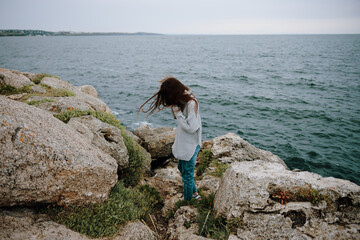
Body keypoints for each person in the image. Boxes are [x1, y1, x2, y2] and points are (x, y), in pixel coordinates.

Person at [138, 77, 202, 201]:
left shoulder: (191, 103)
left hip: (191, 144)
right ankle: (195, 194)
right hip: (185, 143)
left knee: (187, 177)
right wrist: (176, 110)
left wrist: (178, 114)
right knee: (181, 169)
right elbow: (177, 118)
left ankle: (188, 201)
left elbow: (192, 128)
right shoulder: (183, 99)